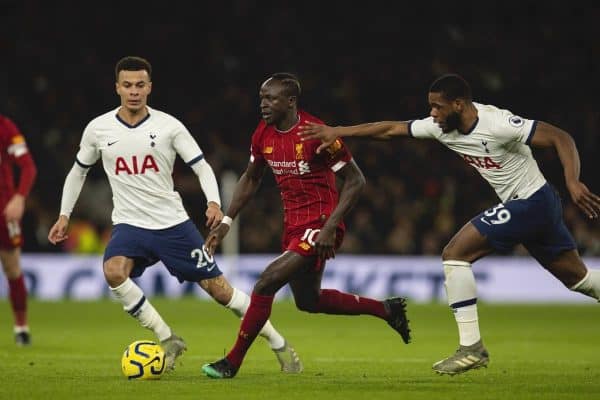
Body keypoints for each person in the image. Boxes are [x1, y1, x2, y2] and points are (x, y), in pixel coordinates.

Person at [298, 73, 600, 375]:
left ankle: (472, 348)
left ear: (459, 104)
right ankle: (472, 348)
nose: (432, 113)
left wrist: (572, 181)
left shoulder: (498, 124)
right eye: (431, 107)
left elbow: (561, 137)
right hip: (531, 207)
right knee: (579, 280)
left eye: (438, 107)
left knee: (455, 254)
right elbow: (390, 129)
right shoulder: (441, 127)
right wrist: (337, 131)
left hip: (533, 201)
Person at [47, 56, 302, 373]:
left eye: (140, 85)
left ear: (149, 87)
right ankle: (167, 338)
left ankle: (278, 343)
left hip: (173, 225)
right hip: (129, 224)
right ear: (117, 88)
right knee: (113, 271)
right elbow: (77, 172)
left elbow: (201, 166)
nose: (134, 91)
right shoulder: (98, 129)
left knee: (220, 291)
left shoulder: (169, 126)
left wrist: (212, 202)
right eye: (127, 85)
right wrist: (64, 215)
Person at [201, 73, 411, 379]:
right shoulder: (263, 133)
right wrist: (227, 221)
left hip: (322, 224)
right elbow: (251, 177)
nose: (263, 104)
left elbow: (356, 180)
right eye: (261, 98)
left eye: (270, 98)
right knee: (308, 302)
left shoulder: (316, 133)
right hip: (294, 227)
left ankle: (231, 363)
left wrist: (330, 227)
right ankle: (386, 310)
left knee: (266, 282)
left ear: (290, 101)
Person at [0, 114, 37, 346]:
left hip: (3, 209)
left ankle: (21, 328)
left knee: (12, 267)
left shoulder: (5, 127)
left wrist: (19, 198)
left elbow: (28, 166)